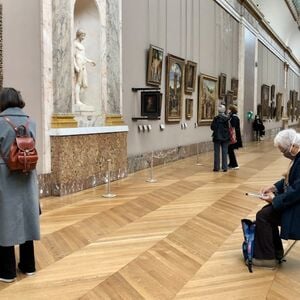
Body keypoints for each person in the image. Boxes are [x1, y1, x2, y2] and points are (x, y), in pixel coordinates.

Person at [0, 88, 40, 282]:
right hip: (27, 173)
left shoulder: (0, 122)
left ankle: (7, 272)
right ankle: (28, 265)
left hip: (4, 176)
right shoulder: (30, 121)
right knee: (28, 217)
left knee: (4, 219)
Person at [253, 128, 300, 268]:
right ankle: (275, 251)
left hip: (297, 207)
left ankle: (267, 257)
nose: (283, 154)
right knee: (266, 214)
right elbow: (289, 180)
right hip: (294, 202)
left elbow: (297, 190)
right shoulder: (297, 159)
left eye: (283, 150)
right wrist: (273, 188)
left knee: (263, 215)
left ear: (292, 146)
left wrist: (275, 200)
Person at [74, 29, 96, 106]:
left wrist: (90, 61)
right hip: (78, 63)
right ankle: (77, 100)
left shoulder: (81, 45)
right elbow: (73, 55)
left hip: (83, 63)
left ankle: (77, 99)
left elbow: (83, 56)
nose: (83, 38)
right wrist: (75, 66)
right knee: (78, 82)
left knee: (85, 84)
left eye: (84, 36)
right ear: (79, 34)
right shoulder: (74, 44)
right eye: (83, 36)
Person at [210, 104, 230, 172]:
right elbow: (229, 127)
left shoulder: (216, 118)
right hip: (226, 137)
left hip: (217, 137)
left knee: (217, 152)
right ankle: (225, 167)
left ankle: (216, 167)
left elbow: (212, 127)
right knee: (225, 152)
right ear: (224, 110)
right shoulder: (227, 118)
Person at [228, 105, 243, 169]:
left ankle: (235, 164)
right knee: (230, 150)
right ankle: (231, 163)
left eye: (229, 109)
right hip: (233, 135)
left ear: (231, 110)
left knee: (230, 150)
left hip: (233, 136)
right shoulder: (233, 117)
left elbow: (232, 126)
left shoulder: (234, 118)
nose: (228, 110)